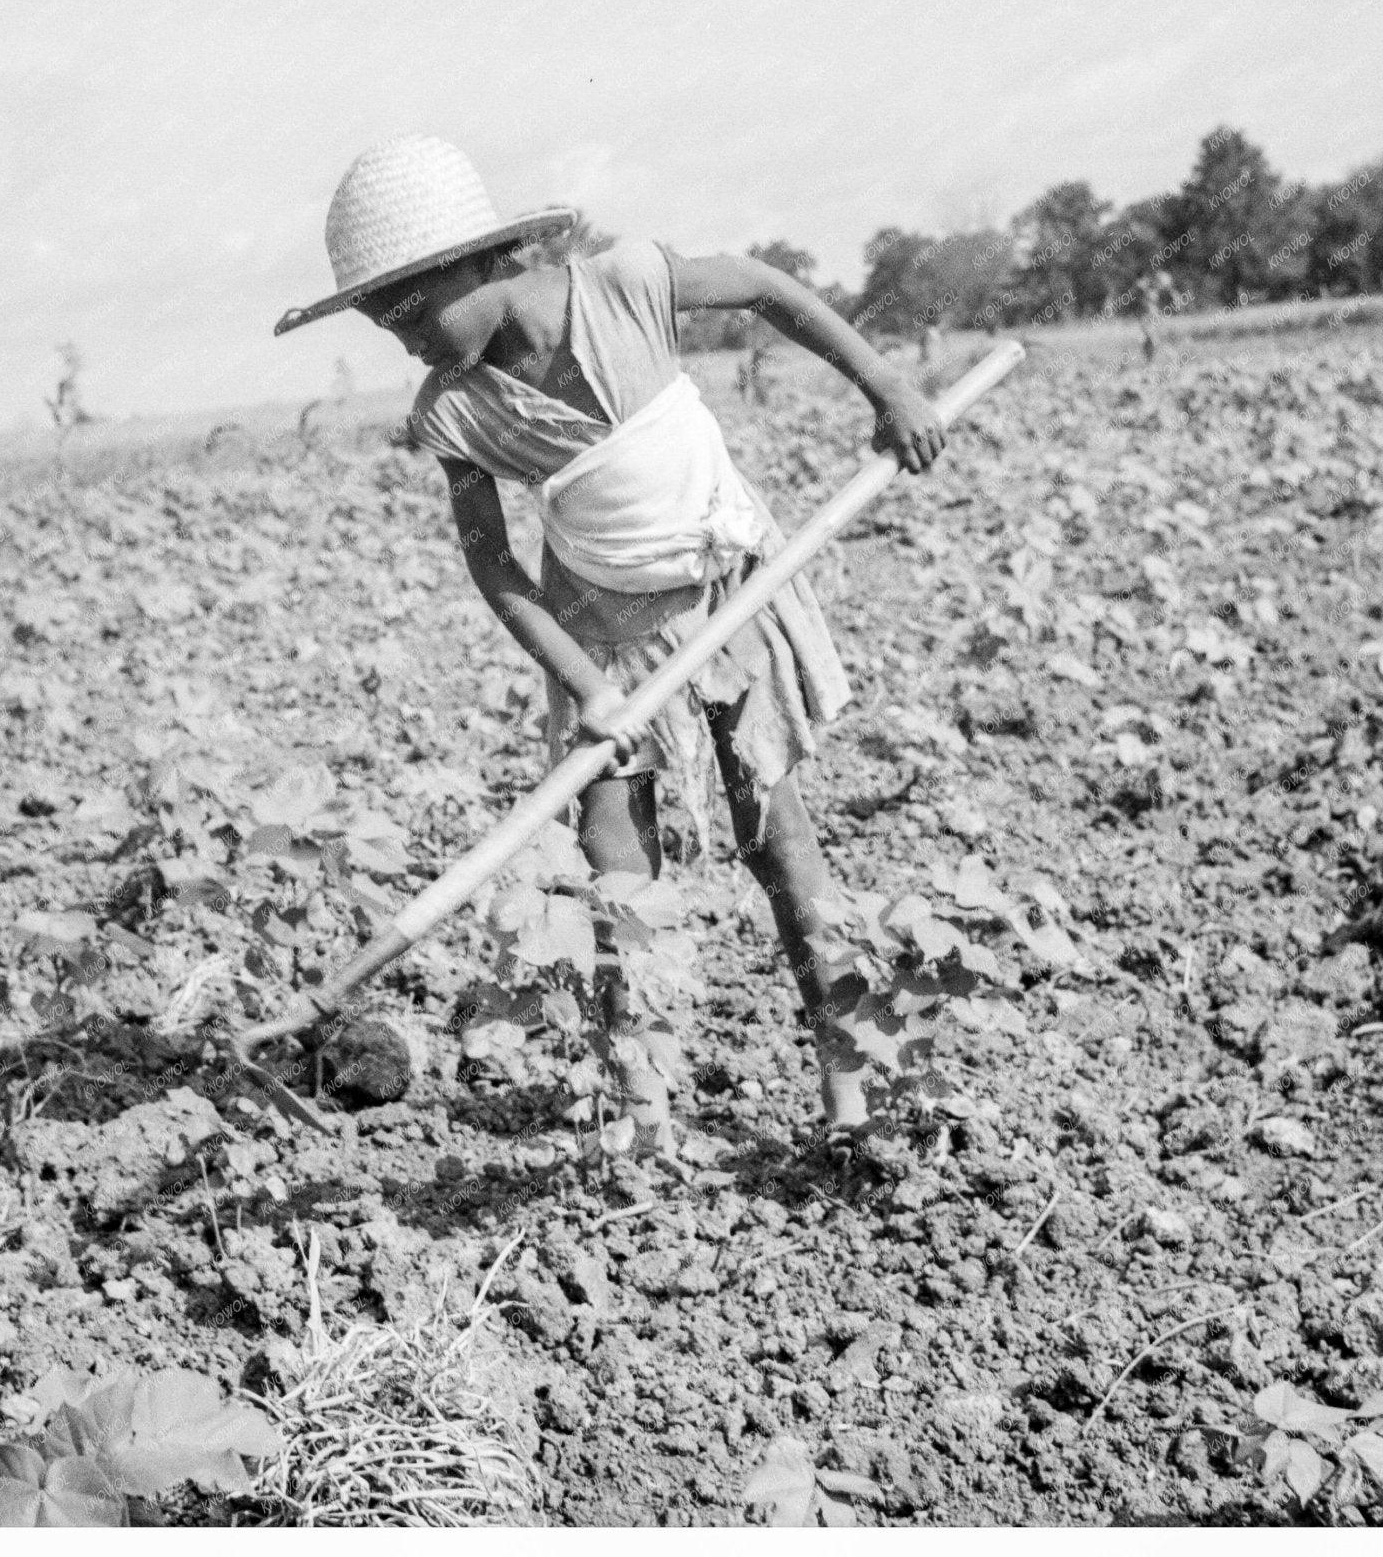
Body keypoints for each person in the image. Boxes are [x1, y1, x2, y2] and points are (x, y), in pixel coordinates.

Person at [275, 136, 946, 1137]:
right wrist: (585, 684)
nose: (407, 341)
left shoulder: (623, 286)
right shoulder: (453, 409)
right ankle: (638, 1107)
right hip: (594, 631)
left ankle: (849, 1082)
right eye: (387, 326)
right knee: (614, 860)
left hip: (719, 595)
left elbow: (761, 288)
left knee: (778, 845)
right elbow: (495, 564)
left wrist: (883, 385)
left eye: (414, 313)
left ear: (480, 261)